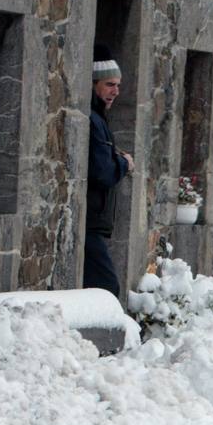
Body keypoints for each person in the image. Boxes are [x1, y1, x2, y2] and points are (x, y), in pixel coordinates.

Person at [84, 44, 134, 296]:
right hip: (90, 223)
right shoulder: (94, 120)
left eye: (118, 85)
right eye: (109, 84)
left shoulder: (98, 119)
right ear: (93, 84)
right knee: (106, 289)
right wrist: (124, 164)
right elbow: (102, 172)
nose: (116, 91)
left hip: (93, 222)